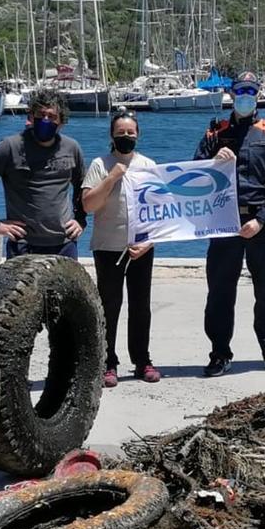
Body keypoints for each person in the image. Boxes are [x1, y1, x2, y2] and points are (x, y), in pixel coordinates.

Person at [196, 71, 265, 376]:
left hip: (260, 225)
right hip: (224, 222)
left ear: (257, 95)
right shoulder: (215, 133)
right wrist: (213, 160)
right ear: (231, 94)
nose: (245, 97)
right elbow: (193, 174)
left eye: (250, 92)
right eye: (240, 92)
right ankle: (219, 354)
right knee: (220, 292)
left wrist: (262, 220)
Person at [82, 108, 160, 387]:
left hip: (141, 248)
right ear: (111, 136)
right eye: (120, 133)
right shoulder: (99, 165)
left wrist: (148, 242)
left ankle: (142, 360)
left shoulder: (149, 165)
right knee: (109, 306)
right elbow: (88, 205)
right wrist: (112, 177)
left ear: (137, 135)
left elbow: (161, 212)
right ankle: (107, 362)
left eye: (130, 132)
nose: (126, 137)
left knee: (141, 306)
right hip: (107, 247)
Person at [0, 87, 85, 258]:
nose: (45, 120)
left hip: (64, 243)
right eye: (40, 115)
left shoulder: (72, 147)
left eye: (51, 116)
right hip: (23, 244)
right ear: (31, 116)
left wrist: (81, 220)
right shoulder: (10, 146)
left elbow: (82, 186)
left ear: (61, 122)